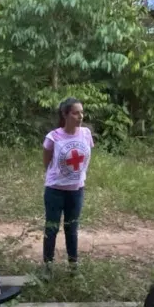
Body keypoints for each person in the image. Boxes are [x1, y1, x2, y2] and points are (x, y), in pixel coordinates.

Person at [42, 97, 94, 267]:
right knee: (52, 228)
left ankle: (73, 265)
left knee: (72, 229)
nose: (80, 116)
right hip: (55, 190)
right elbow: (47, 162)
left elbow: (86, 159)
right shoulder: (53, 137)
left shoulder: (86, 134)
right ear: (65, 115)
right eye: (75, 113)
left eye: (82, 112)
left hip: (76, 190)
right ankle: (48, 265)